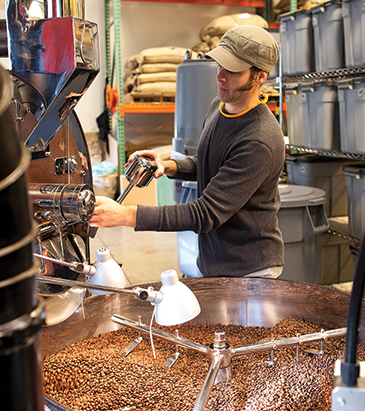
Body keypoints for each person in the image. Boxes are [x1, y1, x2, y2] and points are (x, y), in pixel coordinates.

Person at [90, 24, 285, 278]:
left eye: (233, 70)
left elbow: (205, 213)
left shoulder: (259, 140)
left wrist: (125, 215)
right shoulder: (219, 105)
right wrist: (167, 165)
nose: (220, 76)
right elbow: (210, 163)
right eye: (220, 65)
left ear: (260, 76)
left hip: (250, 270)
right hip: (214, 259)